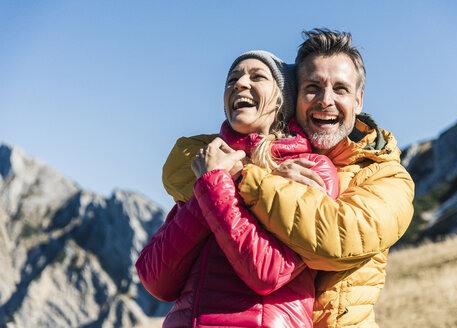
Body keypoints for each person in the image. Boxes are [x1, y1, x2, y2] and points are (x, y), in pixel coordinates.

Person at [136, 50, 340, 327]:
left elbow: (267, 272)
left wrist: (220, 184)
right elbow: (154, 279)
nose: (239, 84)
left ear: (282, 99)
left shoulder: (311, 168)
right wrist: (212, 182)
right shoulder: (208, 165)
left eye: (257, 77)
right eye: (232, 79)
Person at [231, 29, 415, 327]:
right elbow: (181, 163)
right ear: (292, 97)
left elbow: (336, 243)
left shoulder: (387, 176)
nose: (325, 100)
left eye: (340, 89)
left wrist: (245, 179)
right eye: (312, 87)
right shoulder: (264, 151)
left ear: (358, 101)